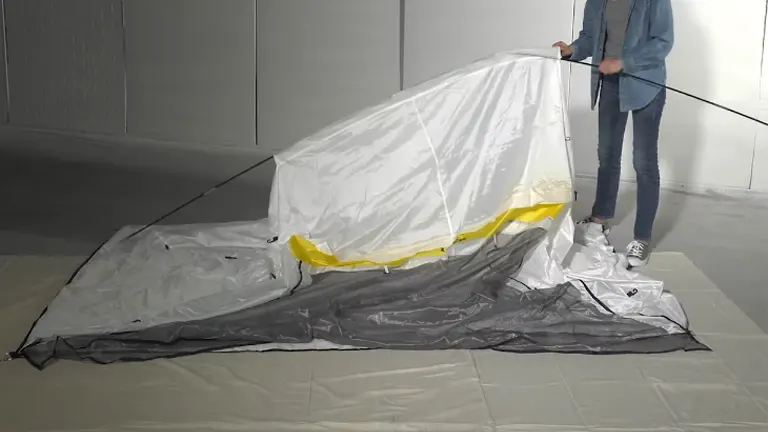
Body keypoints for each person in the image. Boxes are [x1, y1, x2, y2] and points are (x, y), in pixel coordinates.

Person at [552, 0, 674, 268]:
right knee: (607, 154)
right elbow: (590, 37)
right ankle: (600, 217)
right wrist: (572, 49)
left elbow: (662, 41)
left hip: (646, 86)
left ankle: (642, 237)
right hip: (608, 84)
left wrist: (624, 62)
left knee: (643, 161)